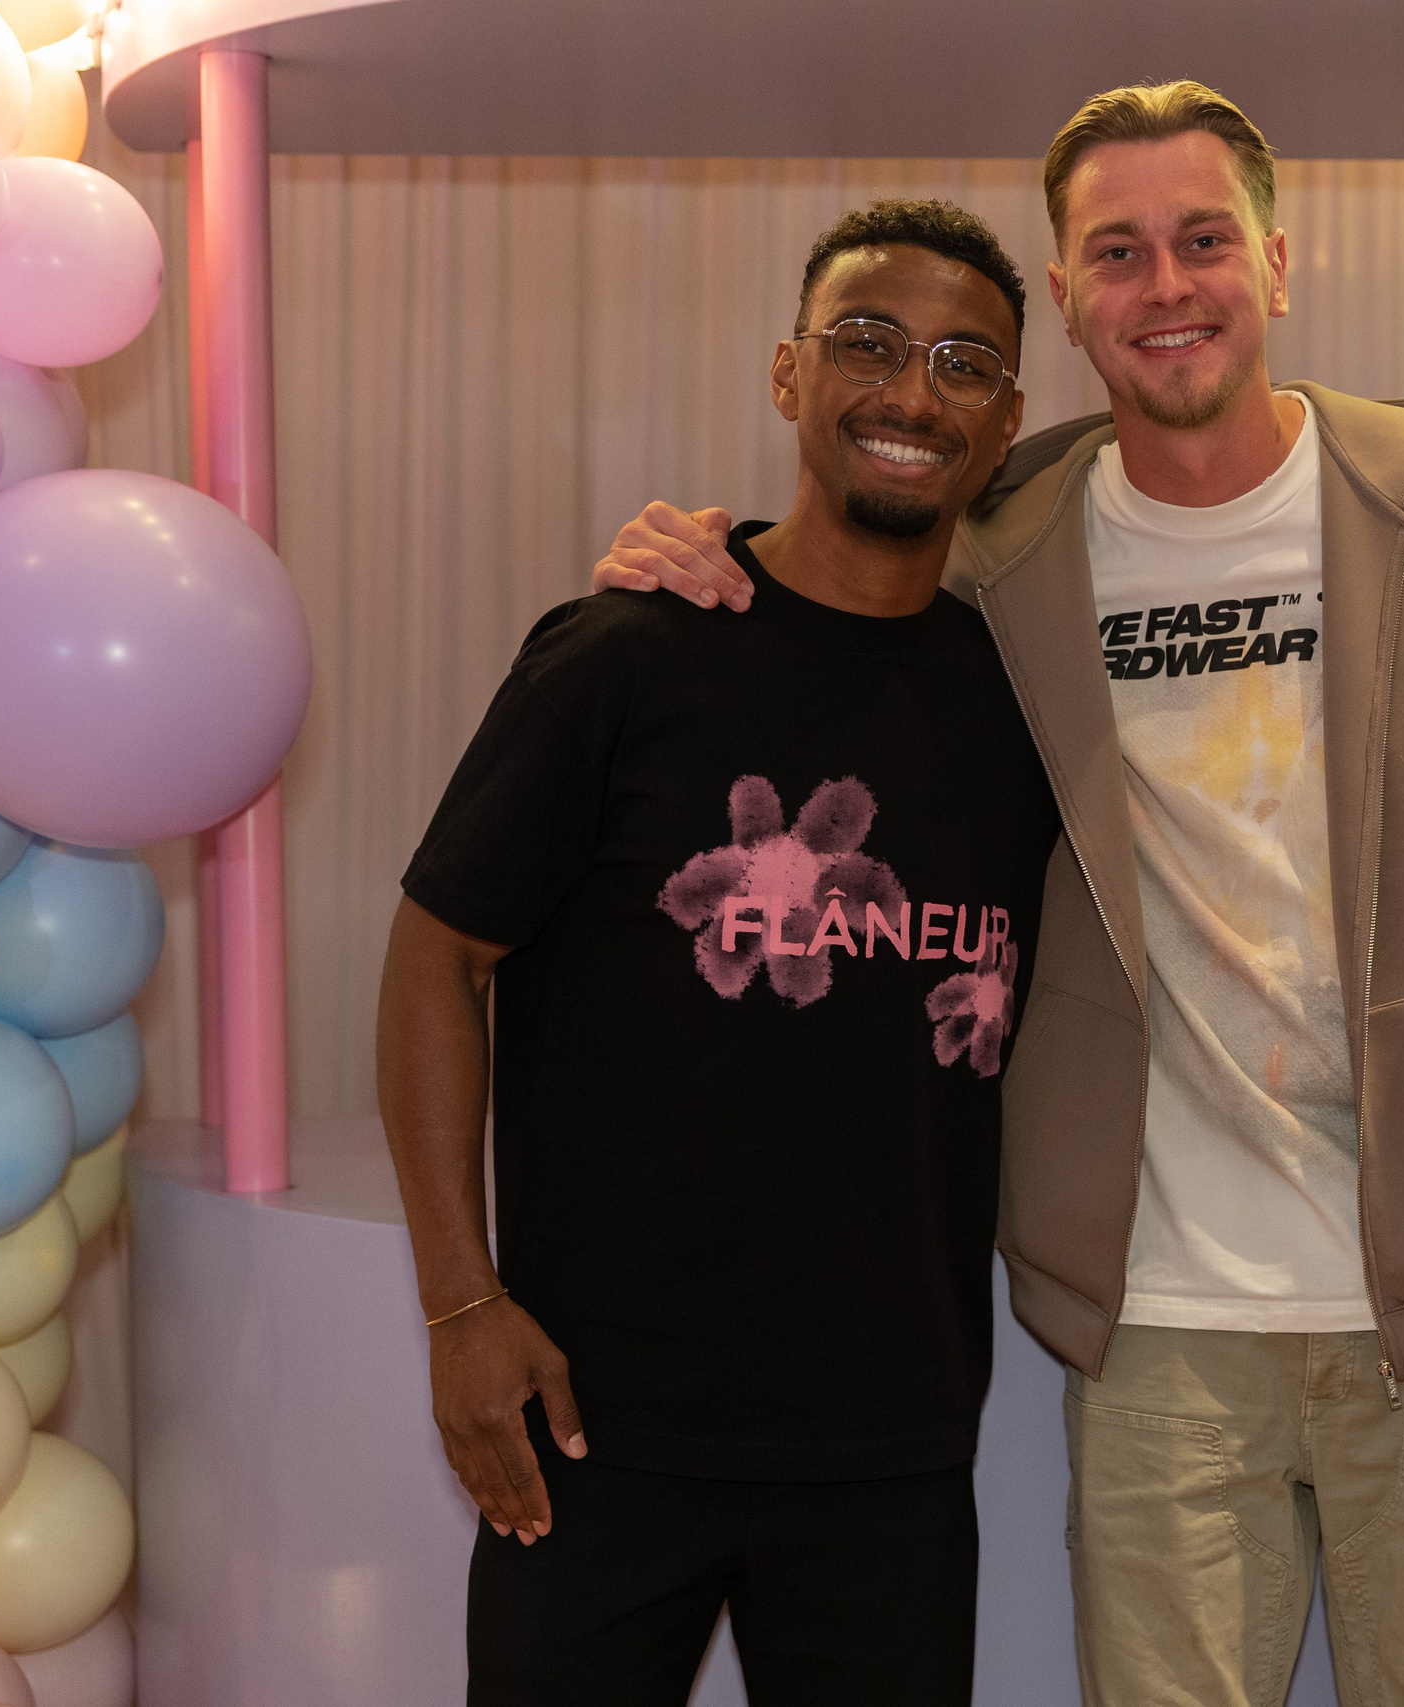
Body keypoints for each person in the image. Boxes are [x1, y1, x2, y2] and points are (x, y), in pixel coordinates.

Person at [586, 79, 1404, 1707]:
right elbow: (845, 574)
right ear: (1067, 294)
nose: (1164, 284)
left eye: (1201, 241)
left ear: (1279, 261)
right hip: (1161, 1312)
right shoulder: (999, 546)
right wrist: (703, 552)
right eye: (1119, 251)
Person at [375, 198, 1060, 1707]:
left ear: (1007, 422)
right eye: (866, 342)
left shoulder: (1027, 709)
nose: (909, 392)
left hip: (890, 1444)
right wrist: (462, 1304)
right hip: (596, 1419)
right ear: (786, 374)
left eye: (963, 362)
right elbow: (435, 956)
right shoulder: (626, 653)